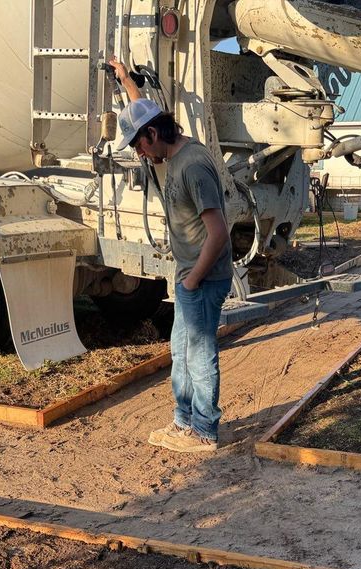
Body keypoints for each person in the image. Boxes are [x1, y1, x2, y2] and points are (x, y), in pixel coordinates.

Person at [109, 58, 233, 454]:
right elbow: (141, 109)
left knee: (199, 354)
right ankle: (184, 422)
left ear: (152, 134)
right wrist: (125, 80)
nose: (140, 154)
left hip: (203, 277)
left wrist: (193, 280)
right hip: (188, 276)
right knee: (180, 351)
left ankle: (204, 432)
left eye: (139, 146)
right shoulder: (168, 150)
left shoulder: (192, 166)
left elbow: (219, 232)